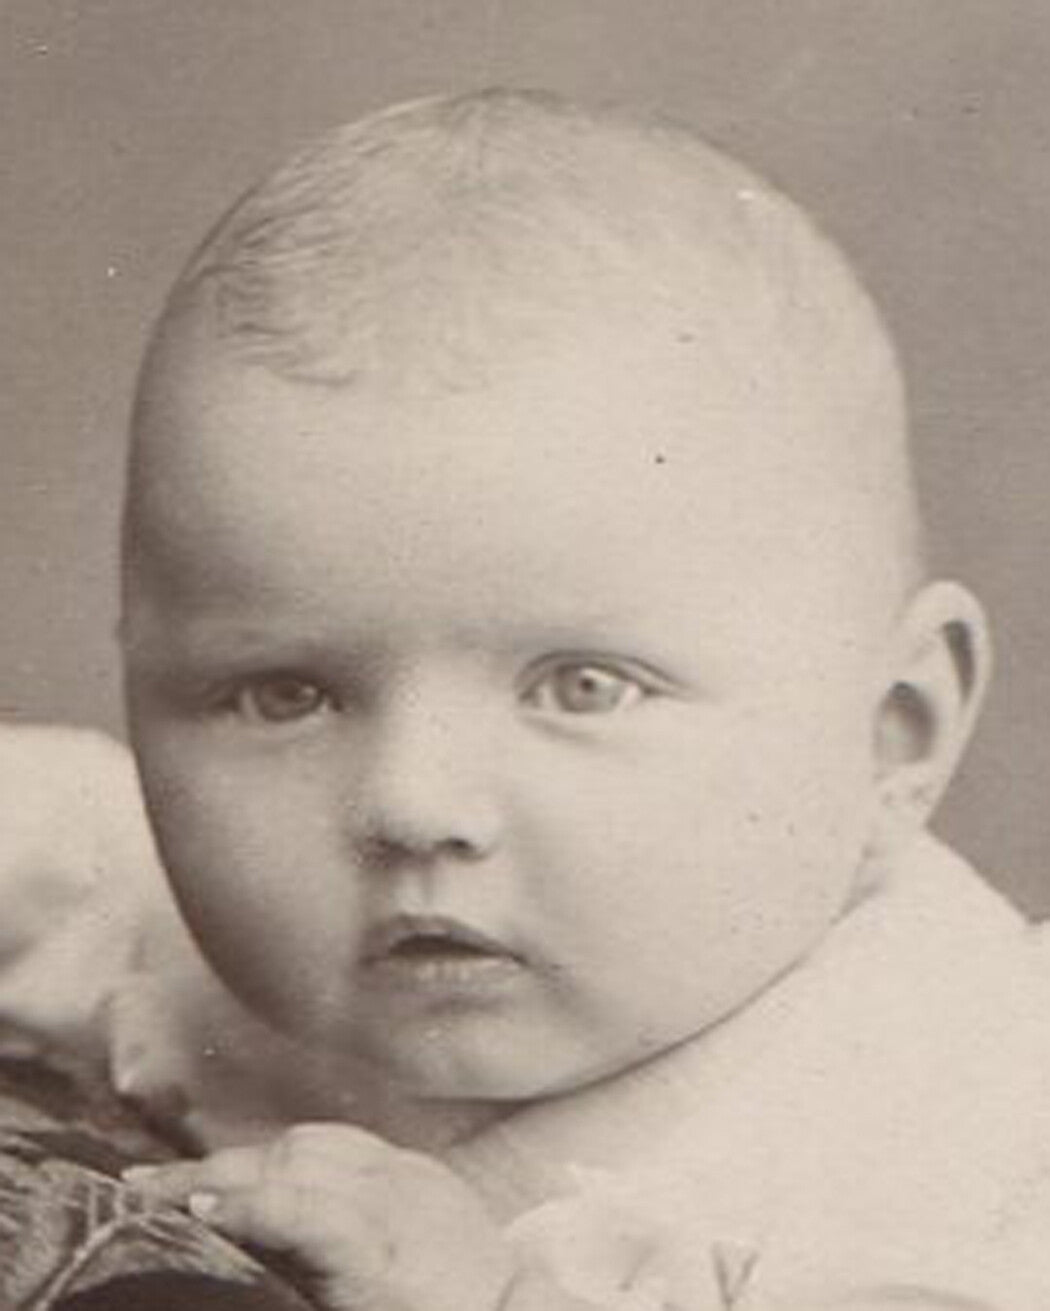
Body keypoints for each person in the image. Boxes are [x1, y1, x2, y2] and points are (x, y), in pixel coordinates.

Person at [101, 89, 1050, 1306]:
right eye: (285, 695)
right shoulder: (246, 983)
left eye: (582, 688)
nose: (413, 805)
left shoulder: (987, 1129)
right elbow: (77, 861)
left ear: (894, 732)